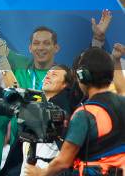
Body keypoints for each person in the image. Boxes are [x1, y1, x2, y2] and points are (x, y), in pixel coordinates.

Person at [24, 47, 125, 175]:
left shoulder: (84, 114)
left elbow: (63, 161)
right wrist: (116, 60)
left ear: (82, 76)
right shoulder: (122, 102)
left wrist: (41, 173)